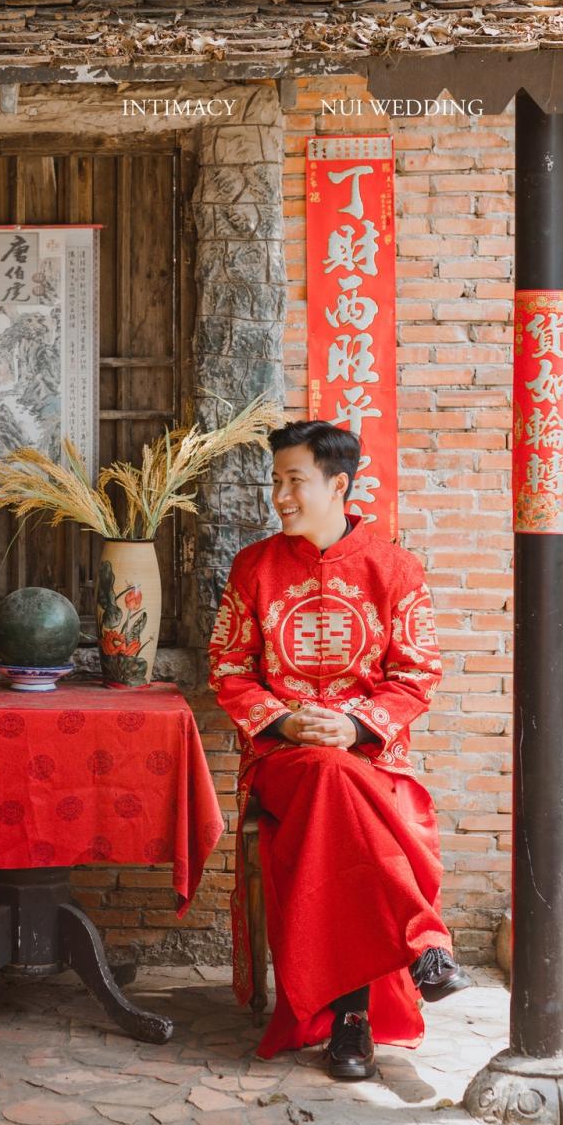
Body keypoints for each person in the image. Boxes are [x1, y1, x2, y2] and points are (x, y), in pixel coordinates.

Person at [208, 420, 470, 1081]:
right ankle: (423, 941)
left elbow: (417, 673)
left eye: (294, 481)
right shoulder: (254, 567)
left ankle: (352, 1019)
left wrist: (356, 727)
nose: (280, 496)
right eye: (275, 481)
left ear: (338, 485)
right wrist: (289, 722)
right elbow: (229, 669)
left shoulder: (394, 568)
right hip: (284, 757)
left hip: (371, 757)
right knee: (325, 773)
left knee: (336, 795)